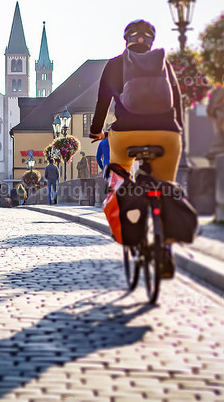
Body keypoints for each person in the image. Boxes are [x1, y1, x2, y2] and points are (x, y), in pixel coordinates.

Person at [89, 19, 183, 278]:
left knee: (120, 179)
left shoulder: (115, 64)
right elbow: (177, 100)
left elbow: (102, 103)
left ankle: (131, 223)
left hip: (126, 134)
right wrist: (178, 129)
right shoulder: (162, 62)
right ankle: (165, 250)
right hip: (167, 134)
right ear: (151, 41)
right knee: (166, 188)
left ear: (126, 39)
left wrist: (96, 130)